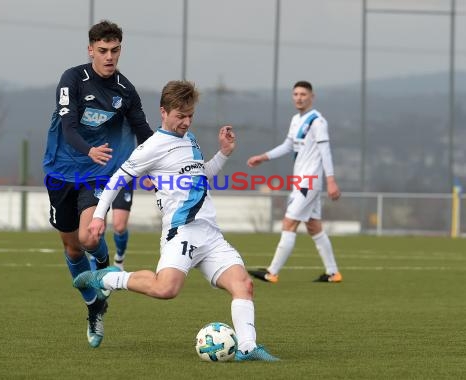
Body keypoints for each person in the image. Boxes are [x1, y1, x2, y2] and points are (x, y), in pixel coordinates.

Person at [73, 80, 278, 362]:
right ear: (164, 112)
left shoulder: (190, 140)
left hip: (210, 234)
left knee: (243, 284)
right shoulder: (152, 147)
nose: (186, 122)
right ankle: (105, 277)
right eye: (180, 116)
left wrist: (224, 153)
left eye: (190, 115)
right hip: (180, 232)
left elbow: (202, 176)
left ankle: (247, 348)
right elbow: (117, 179)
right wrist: (99, 216)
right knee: (166, 288)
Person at [42, 20, 153, 348]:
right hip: (61, 171)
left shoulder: (125, 90)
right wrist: (88, 148)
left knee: (90, 236)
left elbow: (142, 130)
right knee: (72, 246)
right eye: (102, 50)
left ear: (120, 50)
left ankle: (104, 270)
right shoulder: (73, 79)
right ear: (91, 50)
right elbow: (69, 125)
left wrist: (172, 149)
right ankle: (94, 303)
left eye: (115, 50)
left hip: (98, 173)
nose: (109, 56)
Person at [246, 81, 342, 284]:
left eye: (303, 94)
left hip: (309, 182)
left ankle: (272, 272)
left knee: (289, 223)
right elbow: (288, 145)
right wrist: (263, 157)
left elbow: (325, 151)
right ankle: (333, 273)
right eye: (295, 94)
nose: (299, 97)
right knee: (314, 227)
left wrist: (331, 180)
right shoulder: (296, 120)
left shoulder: (317, 121)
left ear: (312, 97)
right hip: (301, 181)